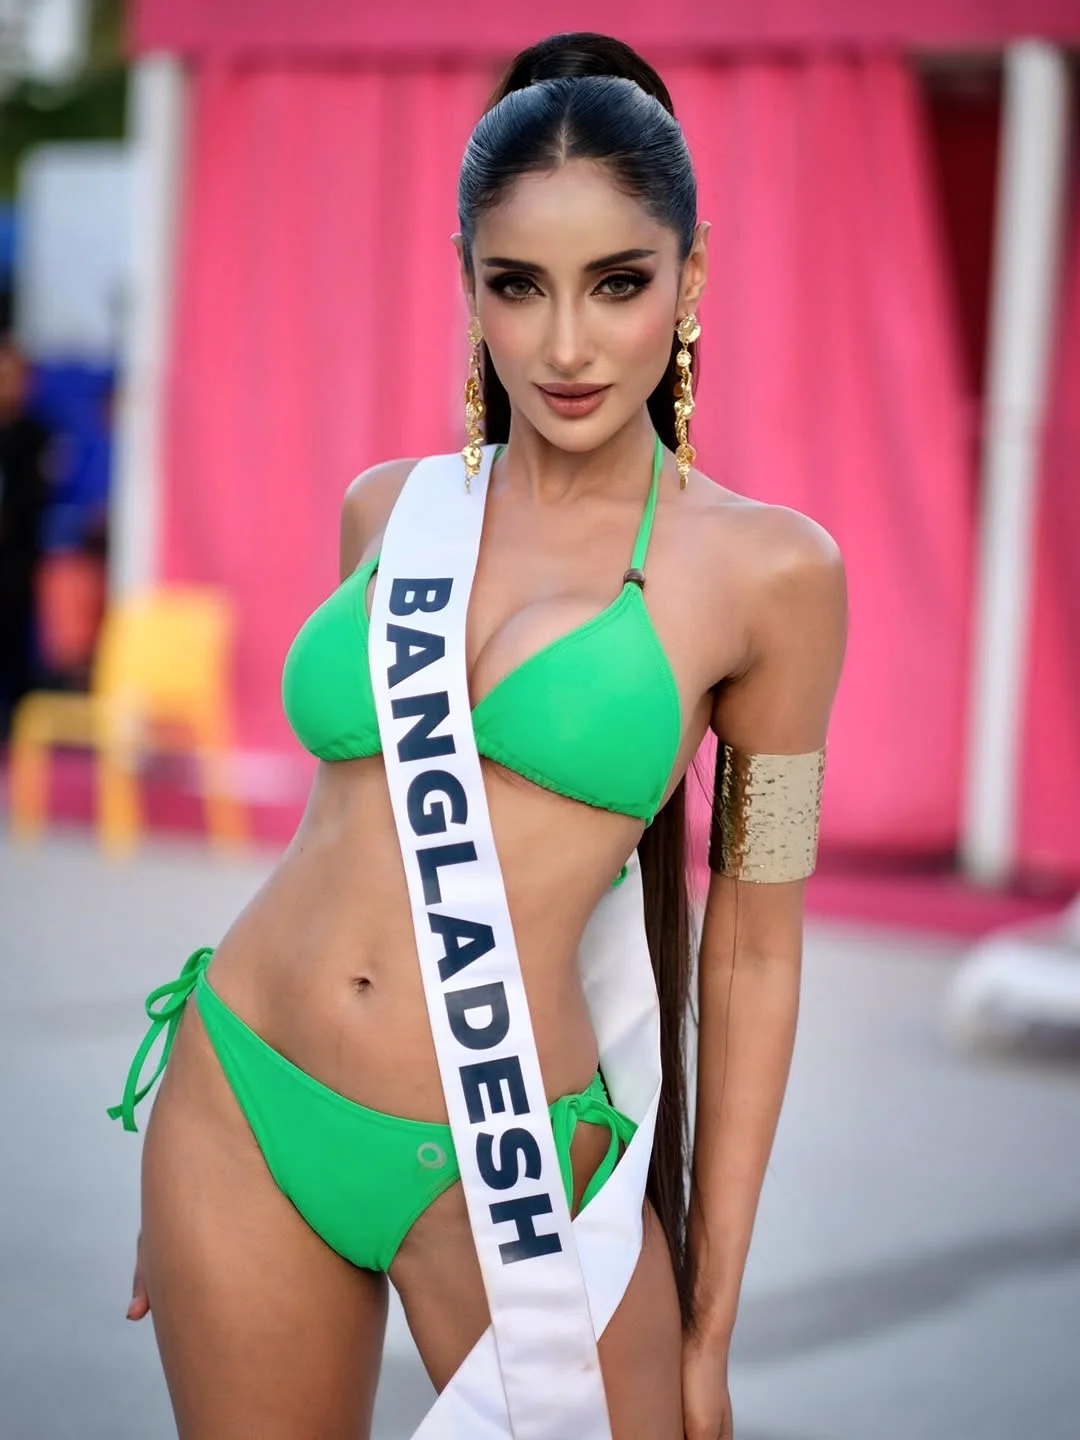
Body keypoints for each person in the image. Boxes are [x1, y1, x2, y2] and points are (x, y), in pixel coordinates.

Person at [111, 31, 847, 1440]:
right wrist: (194, 1176)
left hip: (502, 1158)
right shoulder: (391, 511)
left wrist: (706, 1324)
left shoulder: (772, 574)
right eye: (518, 284)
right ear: (468, 283)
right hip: (245, 1100)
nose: (565, 346)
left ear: (691, 278)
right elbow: (355, 831)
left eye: (618, 283)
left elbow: (756, 947)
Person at [0, 334, 52, 740]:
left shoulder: (34, 435)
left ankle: (14, 728)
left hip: (14, 569)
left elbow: (34, 498)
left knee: (14, 646)